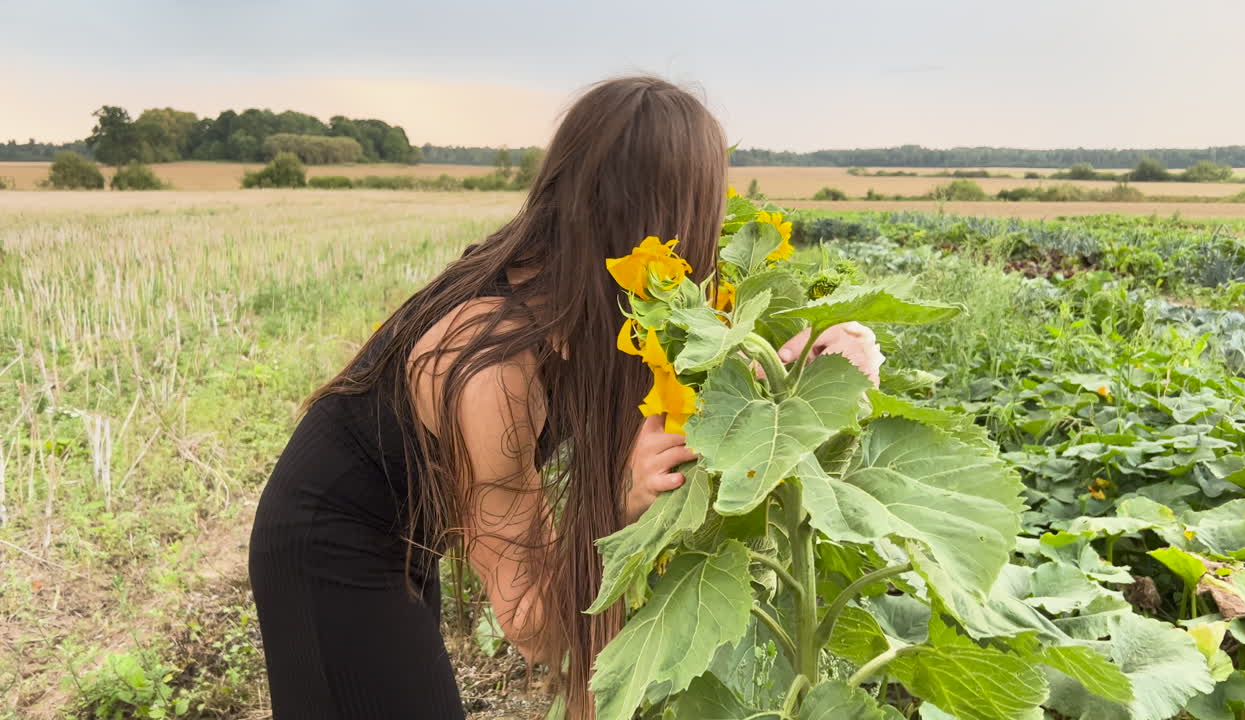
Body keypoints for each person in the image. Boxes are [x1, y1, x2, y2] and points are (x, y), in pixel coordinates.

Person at [247, 75, 885, 720]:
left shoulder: (604, 300)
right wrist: (625, 501)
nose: (715, 229)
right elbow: (530, 620)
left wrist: (813, 357)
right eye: (708, 203)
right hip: (329, 542)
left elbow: (712, 378)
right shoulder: (493, 362)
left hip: (413, 529)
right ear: (665, 220)